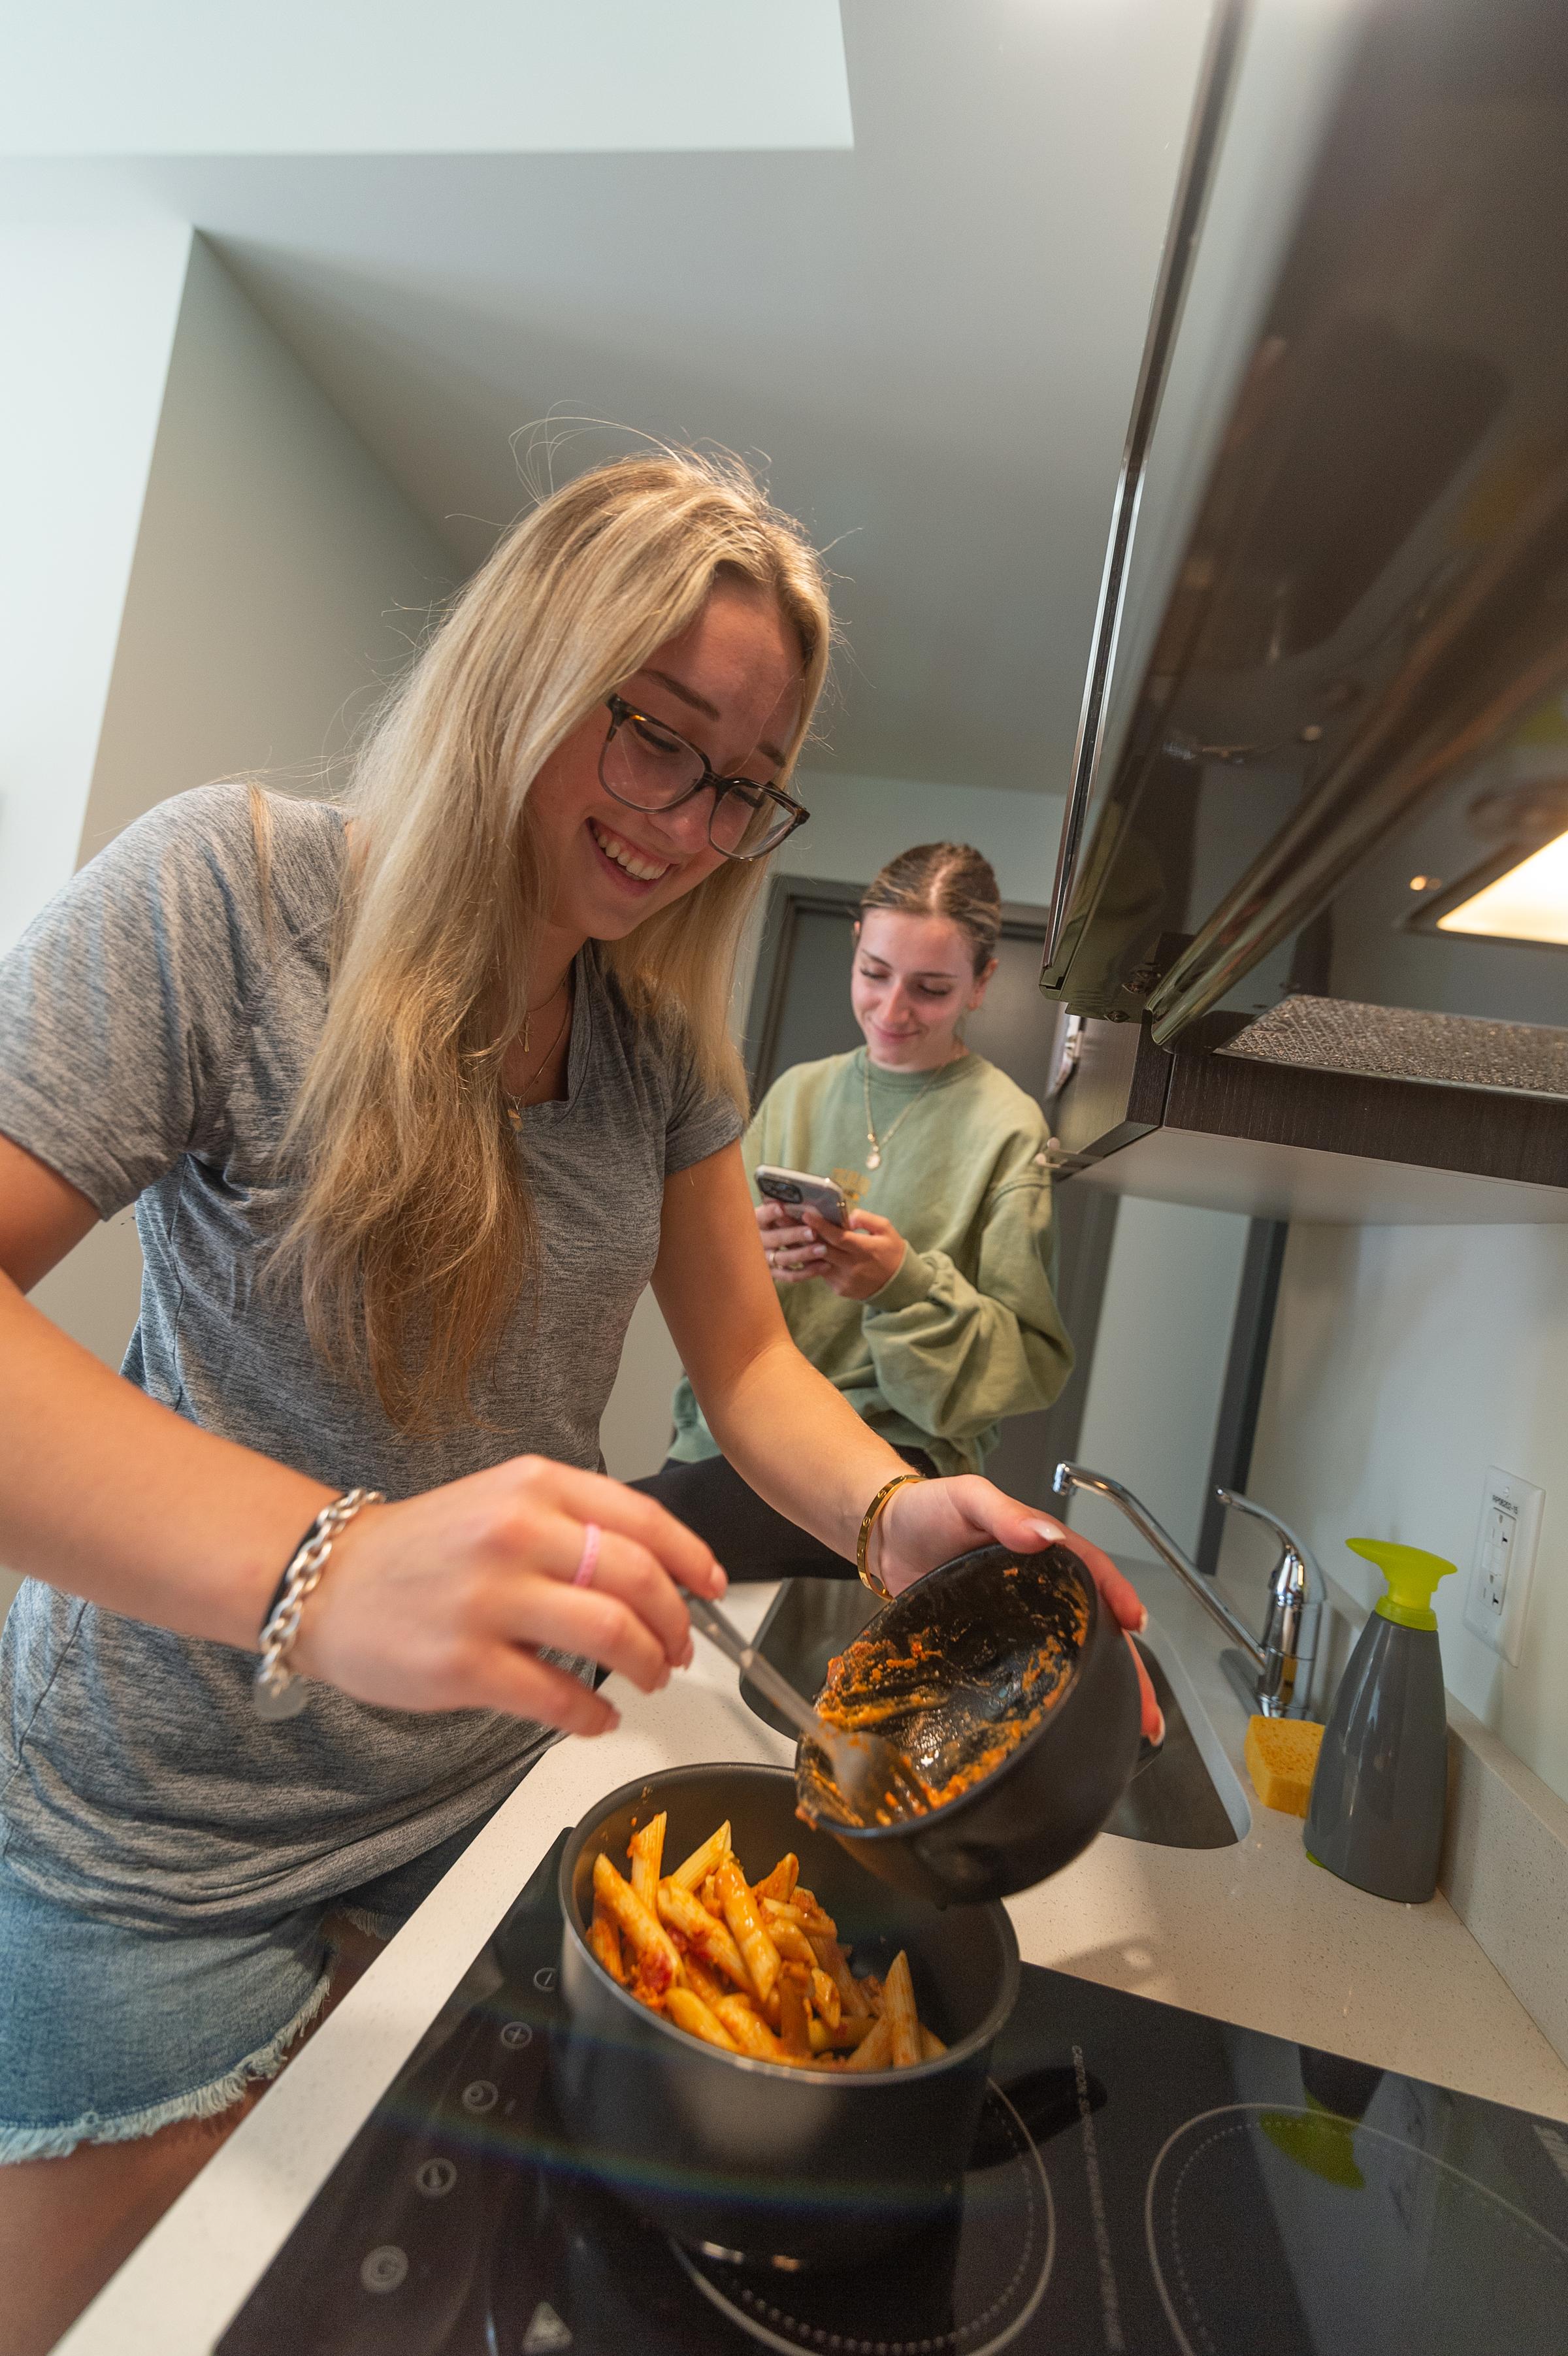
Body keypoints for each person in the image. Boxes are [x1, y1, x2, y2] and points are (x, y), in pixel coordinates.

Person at [0, 450, 1154, 2352]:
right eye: (653, 735)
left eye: (737, 782)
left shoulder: (651, 1039)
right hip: (160, 1852)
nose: (686, 820)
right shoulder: (230, 894)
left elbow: (752, 1365)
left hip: (481, 1817)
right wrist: (329, 1560)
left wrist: (892, 1514)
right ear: (527, 668)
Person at [643, 842, 1074, 1577]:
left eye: (932, 989)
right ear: (855, 949)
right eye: (874, 974)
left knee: (605, 1549)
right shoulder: (798, 1093)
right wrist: (753, 1253)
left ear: (982, 984)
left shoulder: (1008, 1129)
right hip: (730, 1444)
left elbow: (1029, 1367)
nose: (893, 1009)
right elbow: (719, 1302)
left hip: (887, 1462)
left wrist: (901, 1284)